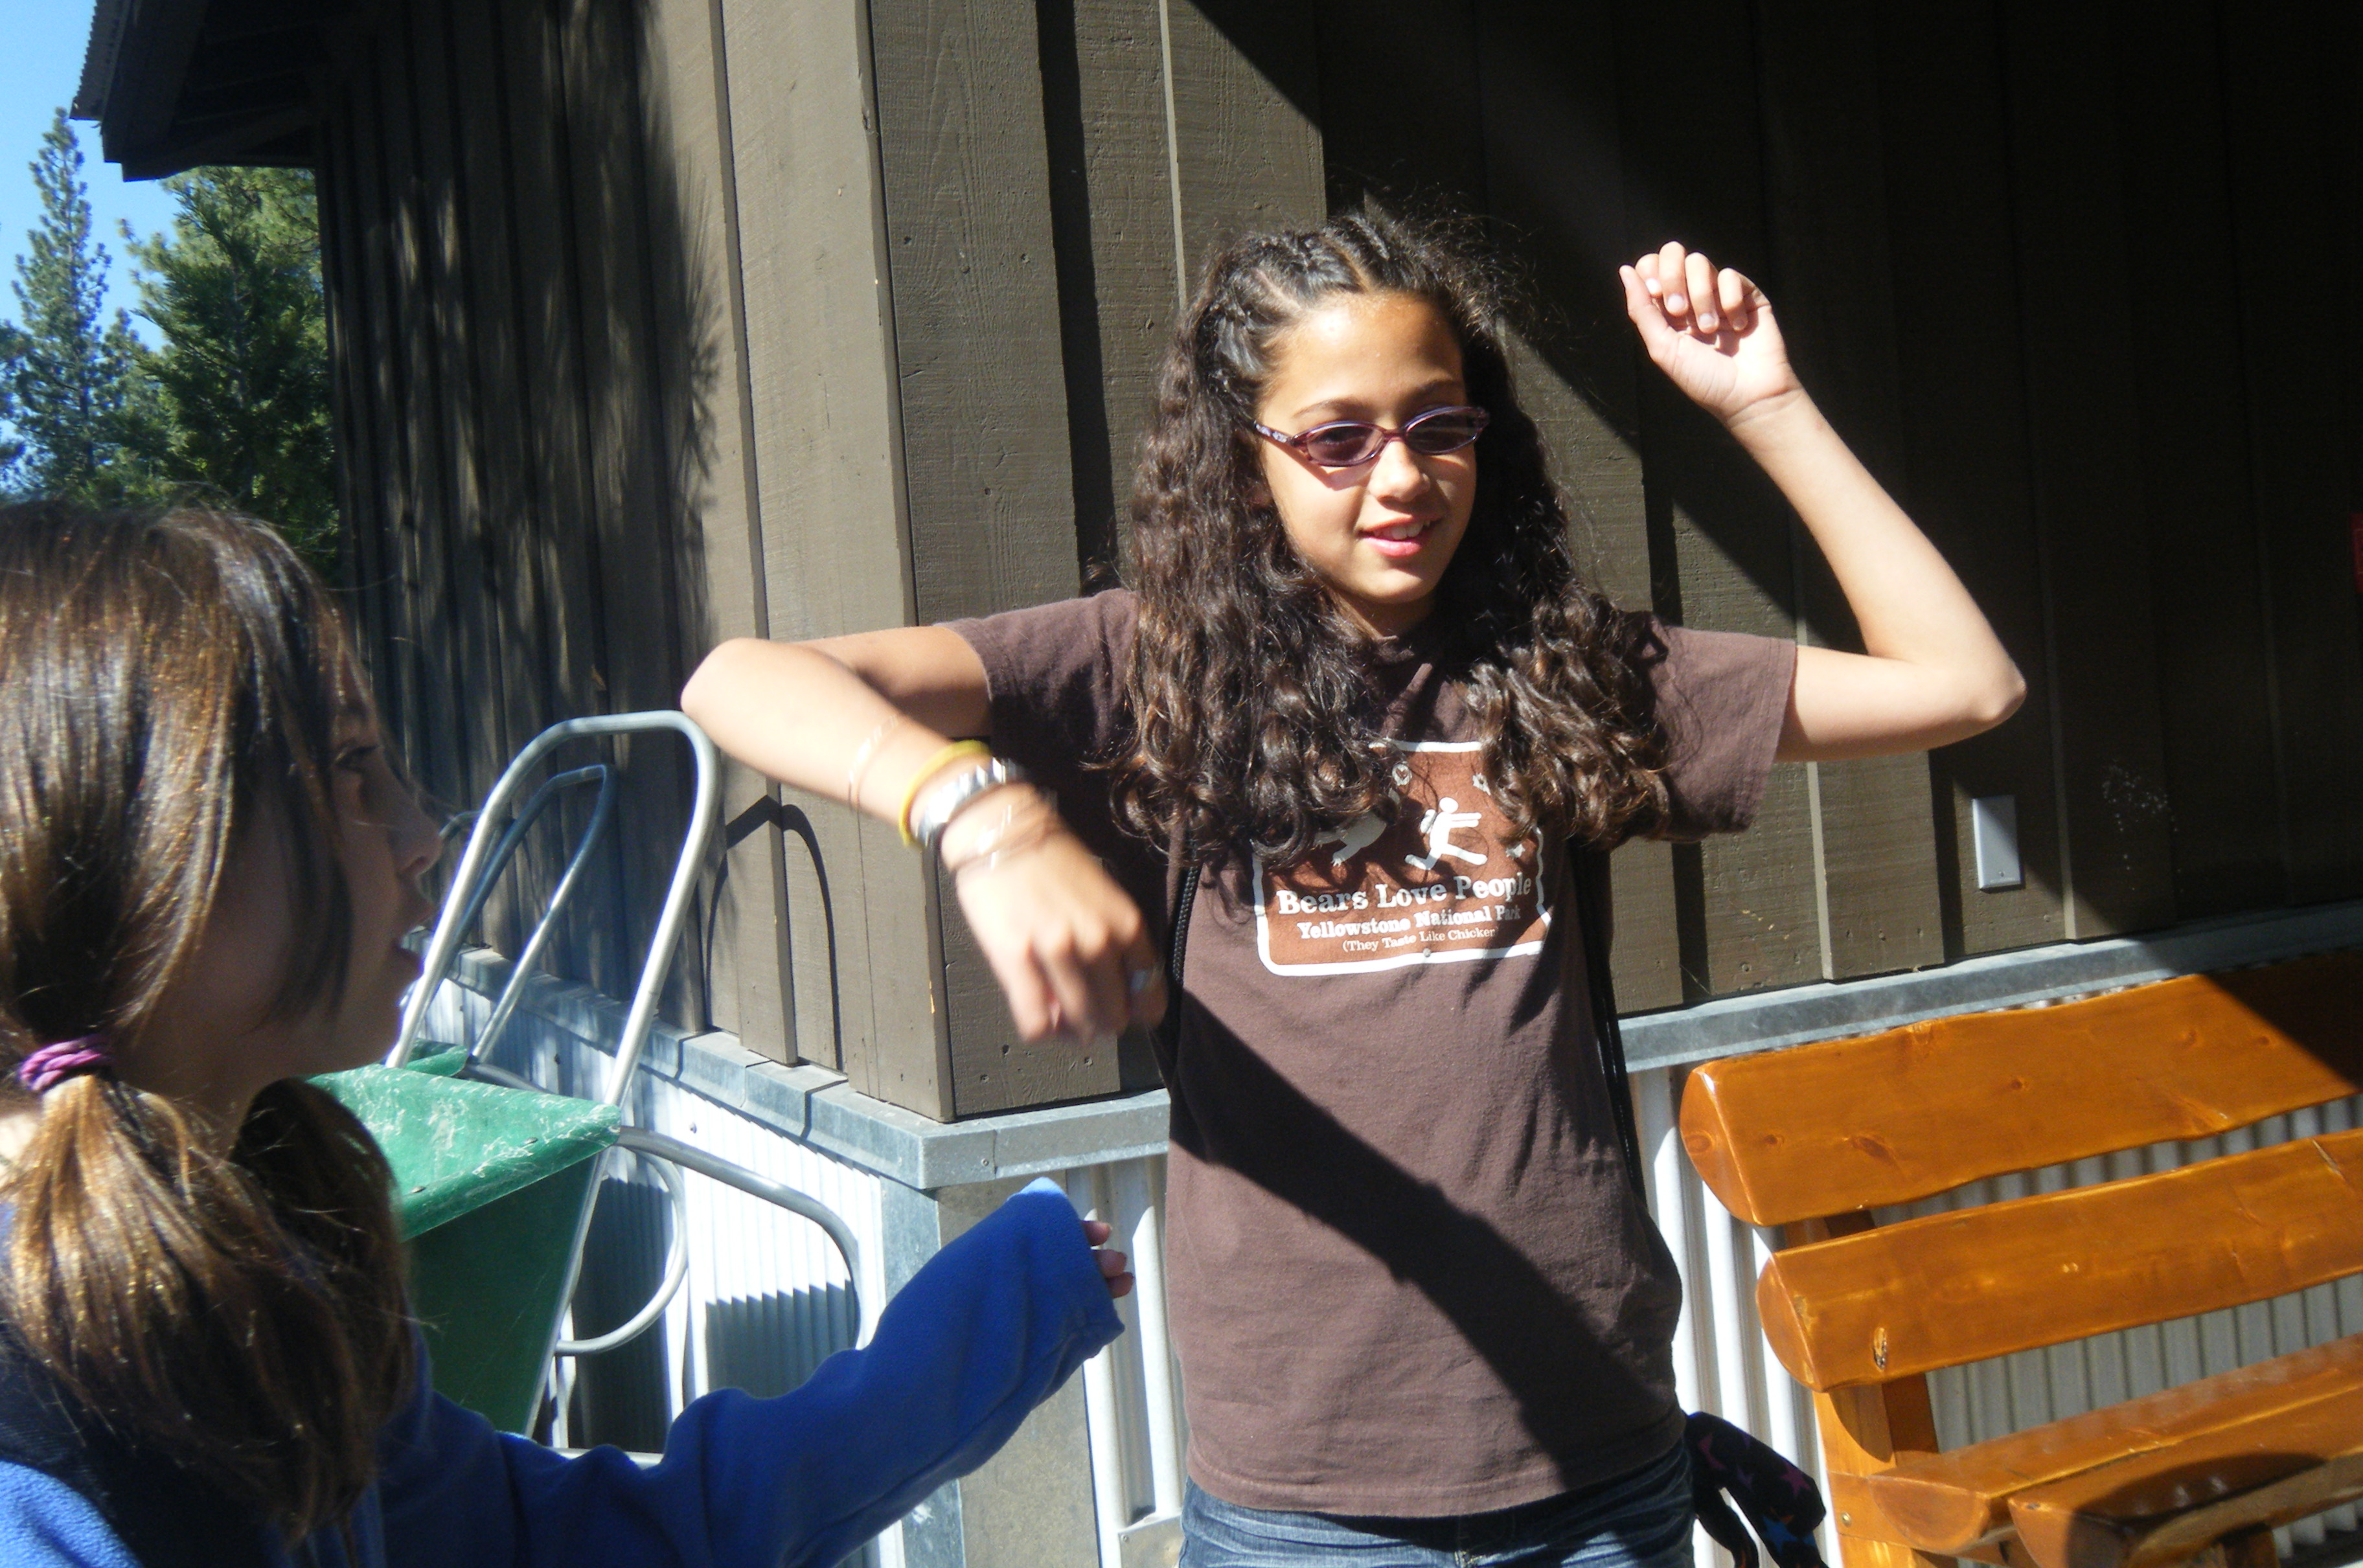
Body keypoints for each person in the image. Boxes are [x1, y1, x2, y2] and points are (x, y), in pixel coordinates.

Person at [681, 221, 2025, 1567]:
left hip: (1599, 1477)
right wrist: (982, 816)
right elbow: (736, 680)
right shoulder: (1147, 671)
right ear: (1243, 461)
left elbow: (1964, 684)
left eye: (1439, 425)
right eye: (1337, 438)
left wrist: (1766, 405)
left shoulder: (1560, 670)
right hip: (1308, 1509)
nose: (1402, 477)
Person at [0, 502, 1131, 1568]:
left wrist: (962, 1345)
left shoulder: (281, 1234)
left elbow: (558, 1542)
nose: (422, 832)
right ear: (135, 842)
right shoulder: (33, 1450)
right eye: (349, 771)